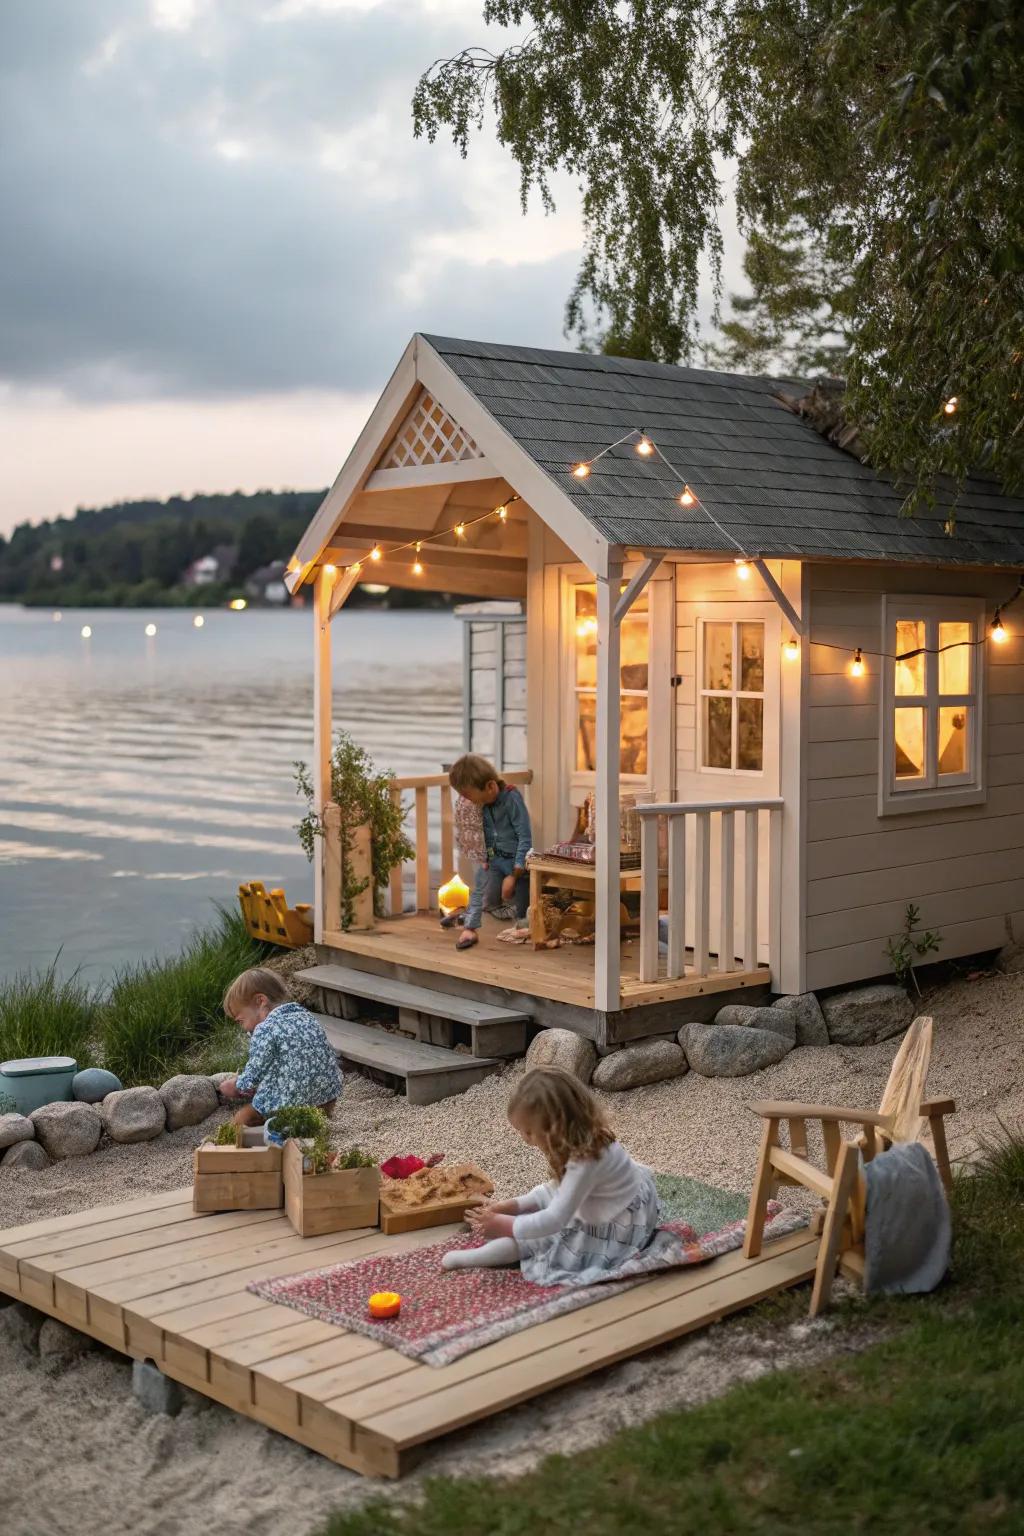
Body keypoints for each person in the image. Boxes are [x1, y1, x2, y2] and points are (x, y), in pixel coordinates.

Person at [442, 1067, 662, 1283]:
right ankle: (511, 1228)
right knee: (537, 1212)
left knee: (542, 1238)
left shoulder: (585, 1161)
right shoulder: (585, 1139)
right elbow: (560, 1188)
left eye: (528, 1131)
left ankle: (473, 1258)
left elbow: (554, 1220)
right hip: (622, 1197)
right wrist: (516, 1205)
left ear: (554, 1127)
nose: (524, 1138)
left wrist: (508, 1225)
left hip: (619, 1223)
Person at [217, 967, 343, 1128]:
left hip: (294, 1105)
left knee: (241, 1121)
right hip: (327, 1098)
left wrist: (236, 1086)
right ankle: (314, 1120)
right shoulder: (305, 1016)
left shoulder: (265, 1028)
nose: (243, 1028)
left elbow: (255, 1073)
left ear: (260, 1001)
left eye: (241, 1020)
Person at [447, 753, 532, 952]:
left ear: (490, 786)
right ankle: (469, 927)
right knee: (482, 893)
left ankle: (518, 916)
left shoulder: (511, 798)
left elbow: (525, 838)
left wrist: (514, 874)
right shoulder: (483, 804)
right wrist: (485, 857)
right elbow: (484, 832)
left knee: (523, 914)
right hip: (495, 859)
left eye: (468, 795)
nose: (467, 800)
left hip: (517, 864)